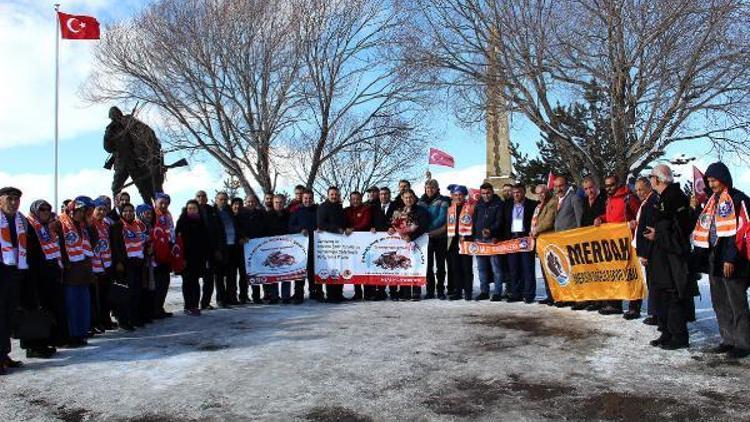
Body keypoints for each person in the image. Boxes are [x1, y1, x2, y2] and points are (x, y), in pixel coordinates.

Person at [693, 162, 750, 358]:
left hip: (732, 260)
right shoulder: (711, 202)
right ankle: (728, 339)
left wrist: (731, 258)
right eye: (709, 181)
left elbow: (741, 232)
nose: (711, 184)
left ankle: (743, 343)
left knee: (737, 303)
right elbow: (703, 227)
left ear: (724, 179)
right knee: (720, 302)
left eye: (714, 180)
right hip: (714, 258)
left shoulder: (738, 199)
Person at [645, 164, 696, 351]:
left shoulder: (676, 198)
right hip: (661, 256)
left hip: (673, 257)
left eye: (651, 177)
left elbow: (681, 231)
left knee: (673, 296)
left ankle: (679, 335)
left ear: (657, 179)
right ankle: (666, 332)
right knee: (662, 295)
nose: (651, 180)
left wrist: (658, 234)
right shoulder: (663, 197)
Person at [22, 200, 65, 358]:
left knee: (48, 310)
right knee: (35, 311)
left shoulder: (48, 228)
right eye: (42, 209)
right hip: (33, 275)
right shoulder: (29, 226)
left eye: (48, 209)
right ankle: (33, 347)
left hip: (50, 275)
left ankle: (44, 343)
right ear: (35, 211)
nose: (46, 212)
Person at [595, 174, 640, 315]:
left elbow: (640, 215)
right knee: (615, 274)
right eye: (606, 185)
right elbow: (610, 218)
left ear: (618, 183)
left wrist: (634, 224)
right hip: (613, 244)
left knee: (630, 275)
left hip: (627, 243)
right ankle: (615, 304)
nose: (609, 188)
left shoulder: (628, 198)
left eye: (611, 185)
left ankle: (634, 307)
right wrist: (600, 218)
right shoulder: (609, 199)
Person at [58, 196, 97, 346]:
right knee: (72, 307)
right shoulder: (61, 223)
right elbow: (59, 245)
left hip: (84, 272)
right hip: (70, 273)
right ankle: (72, 335)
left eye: (86, 212)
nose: (84, 214)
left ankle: (81, 333)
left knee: (83, 305)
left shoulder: (84, 226)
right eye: (81, 211)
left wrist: (89, 225)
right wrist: (65, 263)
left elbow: (94, 242)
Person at [0, 187, 28, 373]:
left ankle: (4, 354)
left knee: (8, 316)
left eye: (16, 200)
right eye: (9, 199)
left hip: (13, 272)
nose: (13, 203)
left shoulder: (20, 220)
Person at [388, 189, 430, 301]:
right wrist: (392, 229)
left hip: (417, 242)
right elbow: (393, 223)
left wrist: (411, 237)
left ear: (414, 197)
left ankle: (416, 292)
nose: (408, 199)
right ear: (402, 198)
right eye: (406, 197)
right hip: (402, 243)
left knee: (416, 264)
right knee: (403, 264)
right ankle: (405, 292)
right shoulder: (399, 211)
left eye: (410, 197)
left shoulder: (421, 210)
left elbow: (423, 226)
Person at [111, 202, 147, 331]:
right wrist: (118, 262)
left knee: (136, 292)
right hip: (125, 264)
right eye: (125, 211)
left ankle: (134, 318)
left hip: (137, 262)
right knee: (125, 294)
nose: (128, 213)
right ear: (121, 213)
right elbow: (115, 246)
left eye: (131, 211)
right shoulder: (117, 226)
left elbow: (142, 242)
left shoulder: (137, 226)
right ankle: (124, 320)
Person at [630, 177, 659, 322]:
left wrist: (645, 253)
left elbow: (649, 229)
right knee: (651, 282)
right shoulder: (645, 203)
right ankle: (654, 313)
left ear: (649, 187)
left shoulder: (652, 201)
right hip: (644, 250)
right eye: (636, 190)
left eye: (641, 189)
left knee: (654, 282)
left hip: (650, 252)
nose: (639, 193)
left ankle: (656, 314)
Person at [504, 184, 538, 303]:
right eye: (514, 193)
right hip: (512, 240)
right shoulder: (507, 205)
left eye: (518, 192)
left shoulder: (533, 205)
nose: (516, 195)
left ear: (524, 192)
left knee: (527, 268)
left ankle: (528, 294)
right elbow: (504, 223)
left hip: (526, 240)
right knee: (514, 269)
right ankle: (515, 293)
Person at [175, 200, 210, 316]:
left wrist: (205, 257)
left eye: (194, 208)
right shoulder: (182, 222)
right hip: (185, 258)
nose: (191, 210)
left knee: (195, 282)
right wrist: (182, 258)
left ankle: (194, 305)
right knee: (187, 282)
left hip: (198, 258)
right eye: (189, 208)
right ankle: (188, 305)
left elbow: (206, 240)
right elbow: (178, 242)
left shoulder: (201, 221)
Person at [418, 179, 450, 300]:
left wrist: (428, 229)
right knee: (428, 266)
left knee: (440, 265)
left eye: (432, 188)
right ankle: (430, 290)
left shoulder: (443, 201)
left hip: (440, 236)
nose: (430, 190)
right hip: (426, 239)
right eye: (427, 188)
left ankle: (441, 289)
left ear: (437, 188)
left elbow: (442, 218)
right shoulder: (420, 202)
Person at [578, 176, 607, 311]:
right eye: (586, 189)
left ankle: (601, 299)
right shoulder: (584, 201)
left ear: (596, 186)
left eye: (591, 187)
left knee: (601, 270)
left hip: (601, 240)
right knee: (589, 270)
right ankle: (592, 298)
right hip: (587, 240)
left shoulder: (604, 198)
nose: (589, 191)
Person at [552, 175, 581, 307]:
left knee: (574, 271)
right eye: (556, 186)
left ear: (567, 185)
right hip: (559, 242)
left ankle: (577, 297)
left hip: (572, 241)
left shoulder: (574, 198)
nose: (559, 189)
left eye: (561, 185)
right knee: (563, 270)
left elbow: (579, 219)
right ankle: (567, 296)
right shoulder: (555, 200)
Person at [472, 183, 504, 301]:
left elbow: (500, 221)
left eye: (488, 193)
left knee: (496, 267)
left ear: (492, 192)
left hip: (493, 240)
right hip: (479, 240)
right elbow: (474, 221)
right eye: (483, 193)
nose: (486, 196)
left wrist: (492, 231)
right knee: (481, 268)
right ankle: (484, 291)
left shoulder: (498, 204)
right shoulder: (478, 204)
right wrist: (474, 235)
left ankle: (497, 292)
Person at [317, 186, 347, 303]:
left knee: (340, 267)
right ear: (328, 195)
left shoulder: (340, 207)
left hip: (341, 243)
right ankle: (331, 295)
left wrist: (345, 229)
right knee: (330, 268)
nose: (334, 196)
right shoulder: (323, 207)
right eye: (332, 194)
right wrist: (337, 229)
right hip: (328, 243)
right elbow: (321, 224)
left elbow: (344, 222)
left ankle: (339, 293)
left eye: (336, 194)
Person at [91, 197, 117, 331]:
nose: (102, 212)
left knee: (106, 296)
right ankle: (96, 322)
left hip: (106, 265)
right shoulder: (90, 224)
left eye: (104, 209)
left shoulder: (106, 225)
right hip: (94, 266)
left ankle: (105, 320)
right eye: (99, 209)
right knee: (96, 298)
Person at [288, 189, 319, 303]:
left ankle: (314, 292)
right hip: (300, 247)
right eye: (305, 198)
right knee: (300, 270)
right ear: (302, 199)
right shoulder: (297, 211)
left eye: (310, 198)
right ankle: (298, 293)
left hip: (315, 245)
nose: (308, 200)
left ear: (313, 199)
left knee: (313, 271)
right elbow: (290, 226)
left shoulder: (318, 211)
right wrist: (299, 229)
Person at [446, 185, 475, 301]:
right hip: (453, 242)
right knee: (455, 268)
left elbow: (475, 224)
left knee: (467, 268)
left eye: (460, 195)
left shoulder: (471, 208)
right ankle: (458, 291)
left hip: (466, 241)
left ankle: (468, 292)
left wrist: (469, 236)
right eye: (455, 195)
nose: (458, 197)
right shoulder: (450, 209)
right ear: (452, 196)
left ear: (464, 196)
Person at [344, 191, 375, 300]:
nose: (355, 201)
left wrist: (353, 229)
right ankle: (357, 292)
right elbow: (343, 223)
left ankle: (368, 293)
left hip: (364, 242)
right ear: (350, 200)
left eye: (357, 199)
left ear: (361, 199)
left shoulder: (366, 209)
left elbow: (365, 223)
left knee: (365, 266)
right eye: (353, 199)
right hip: (351, 244)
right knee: (355, 267)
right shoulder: (346, 210)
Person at [530, 184, 557, 306]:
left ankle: (555, 295)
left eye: (542, 192)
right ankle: (549, 295)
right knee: (544, 270)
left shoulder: (552, 203)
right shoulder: (538, 206)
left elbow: (548, 222)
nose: (540, 195)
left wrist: (535, 230)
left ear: (547, 192)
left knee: (553, 269)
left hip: (550, 240)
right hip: (541, 241)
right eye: (538, 193)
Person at [214, 191, 240, 308]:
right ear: (216, 200)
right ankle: (221, 299)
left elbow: (237, 227)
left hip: (233, 246)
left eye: (225, 199)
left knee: (232, 274)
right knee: (219, 276)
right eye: (221, 199)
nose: (223, 201)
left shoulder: (230, 212)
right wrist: (216, 249)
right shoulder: (213, 213)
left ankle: (232, 297)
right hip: (220, 248)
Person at [195, 190, 220, 310]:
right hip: (195, 251)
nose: (201, 198)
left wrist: (217, 249)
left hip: (210, 250)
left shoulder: (212, 210)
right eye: (198, 196)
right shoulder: (190, 210)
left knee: (209, 278)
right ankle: (192, 304)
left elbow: (218, 230)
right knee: (193, 280)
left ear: (206, 197)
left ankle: (205, 302)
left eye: (203, 196)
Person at [152, 193, 175, 318]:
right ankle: (154, 309)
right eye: (161, 202)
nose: (164, 205)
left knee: (165, 282)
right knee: (157, 283)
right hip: (156, 254)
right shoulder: (153, 215)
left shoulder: (168, 215)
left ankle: (160, 307)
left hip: (168, 252)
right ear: (156, 202)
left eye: (166, 203)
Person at [266, 194, 290, 304]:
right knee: (273, 270)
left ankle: (286, 297)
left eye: (281, 202)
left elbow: (293, 227)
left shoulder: (288, 214)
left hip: (286, 246)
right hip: (271, 247)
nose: (278, 204)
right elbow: (263, 230)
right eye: (276, 202)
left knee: (285, 271)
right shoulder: (267, 215)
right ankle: (274, 296)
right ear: (273, 203)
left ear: (284, 203)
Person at [135, 204, 156, 324]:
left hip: (148, 261)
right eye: (146, 213)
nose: (149, 215)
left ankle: (147, 313)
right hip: (140, 261)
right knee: (142, 288)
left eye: (150, 213)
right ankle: (140, 315)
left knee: (148, 287)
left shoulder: (148, 226)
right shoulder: (137, 225)